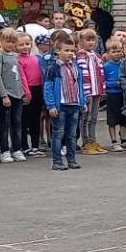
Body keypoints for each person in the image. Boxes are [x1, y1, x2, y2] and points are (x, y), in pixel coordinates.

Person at [41, 30, 87, 171]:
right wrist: (51, 105)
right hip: (60, 105)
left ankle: (71, 159)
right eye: (66, 50)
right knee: (58, 133)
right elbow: (48, 88)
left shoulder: (76, 67)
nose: (70, 53)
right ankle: (57, 161)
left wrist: (83, 101)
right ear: (57, 51)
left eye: (72, 51)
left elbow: (80, 86)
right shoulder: (53, 68)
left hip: (74, 105)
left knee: (72, 135)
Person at [0, 27, 27, 163]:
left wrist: (23, 92)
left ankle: (17, 148)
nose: (11, 45)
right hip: (6, 95)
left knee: (17, 122)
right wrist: (3, 95)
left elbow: (19, 75)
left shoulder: (15, 56)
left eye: (13, 42)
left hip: (17, 93)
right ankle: (4, 150)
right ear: (1, 41)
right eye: (8, 42)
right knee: (4, 123)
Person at [19, 33, 48, 157]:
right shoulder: (19, 60)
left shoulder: (35, 58)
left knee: (35, 120)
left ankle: (35, 146)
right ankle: (24, 146)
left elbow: (41, 75)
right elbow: (22, 78)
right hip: (27, 90)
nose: (25, 47)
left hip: (37, 89)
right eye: (21, 44)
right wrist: (26, 93)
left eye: (27, 44)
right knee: (24, 120)